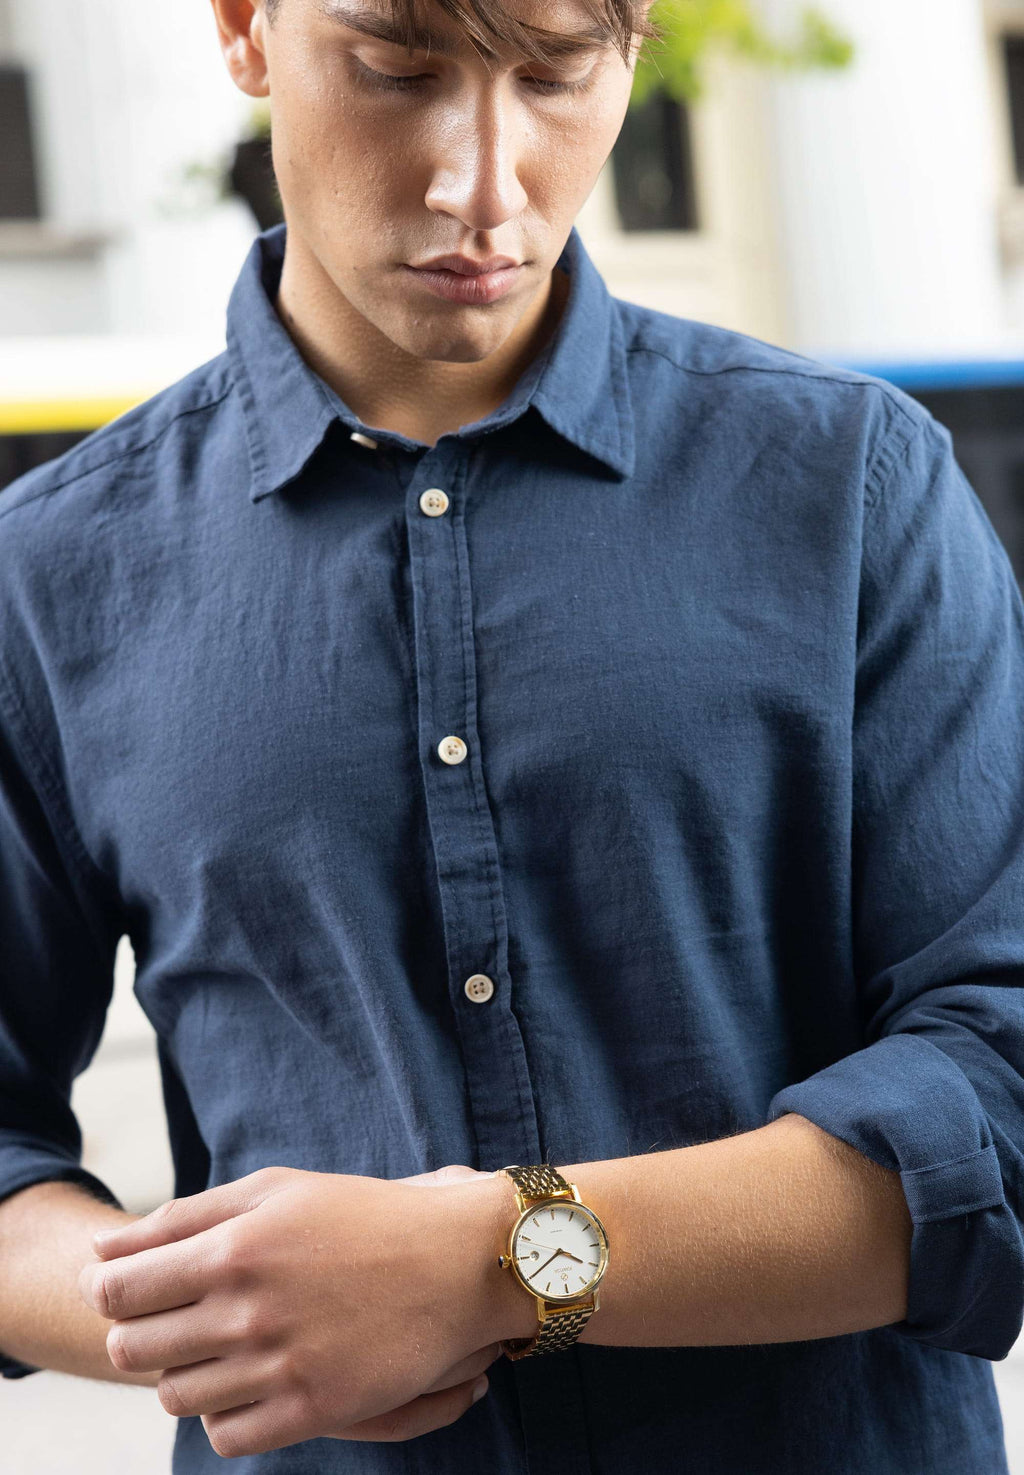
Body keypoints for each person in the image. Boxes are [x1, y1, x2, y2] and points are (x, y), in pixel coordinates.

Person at [0, 0, 1022, 1470]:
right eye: (397, 69)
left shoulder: (858, 489)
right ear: (244, 29)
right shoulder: (51, 572)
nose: (483, 182)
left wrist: (493, 1259)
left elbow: (1001, 1082)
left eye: (556, 74)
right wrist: (231, 1308)